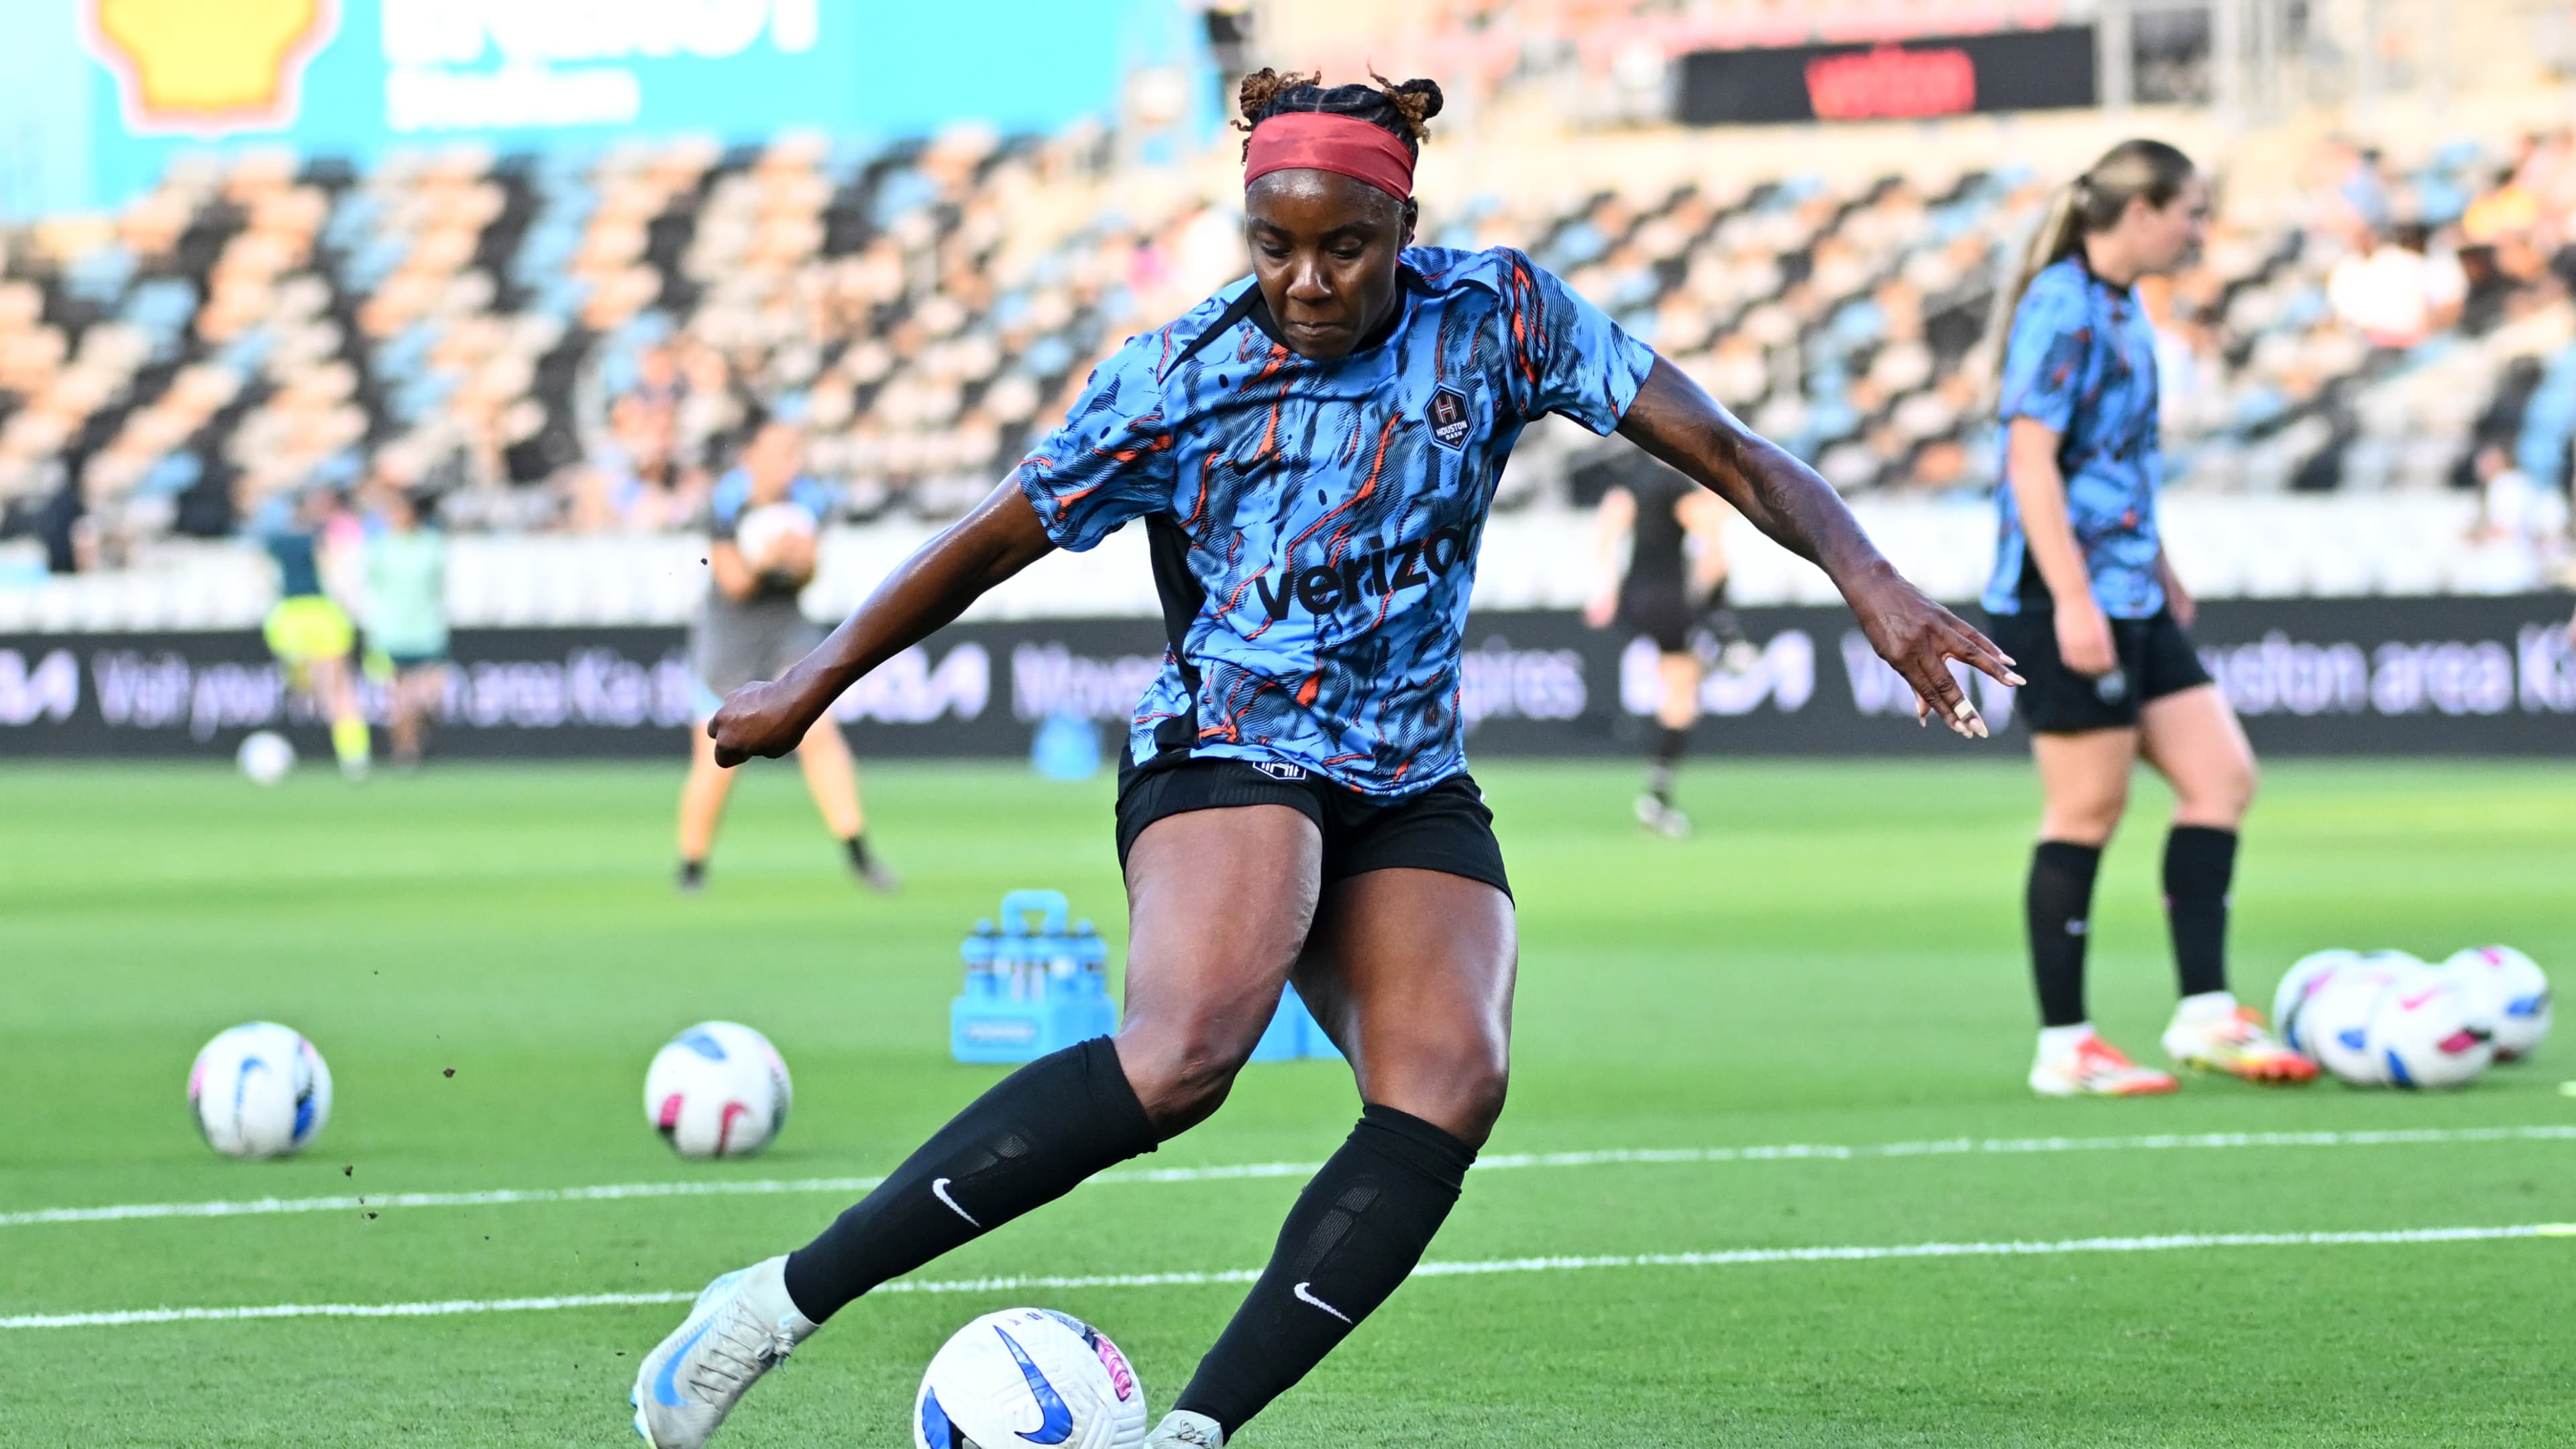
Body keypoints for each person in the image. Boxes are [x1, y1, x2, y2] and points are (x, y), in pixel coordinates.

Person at [629, 71, 2015, 1449]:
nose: (1304, 278)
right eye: (1273, 244)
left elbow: (1728, 449)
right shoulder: (1178, 377)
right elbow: (991, 540)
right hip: (1229, 743)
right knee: (1182, 1061)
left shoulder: (1503, 316)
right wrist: (811, 681)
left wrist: (1876, 587)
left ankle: (1197, 1431)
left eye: (1342, 246)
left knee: (1450, 1082)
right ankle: (769, 1307)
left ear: (1403, 227)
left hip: (1405, 771)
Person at [1985, 140, 2314, 1098]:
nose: (2201, 230)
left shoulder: (2124, 307)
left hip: (2128, 587)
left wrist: (2158, 562)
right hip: (2063, 595)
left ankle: (2206, 1013)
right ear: (2139, 212)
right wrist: (2076, 599)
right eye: (2192, 212)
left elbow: (2114, 458)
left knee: (2222, 777)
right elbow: (2031, 462)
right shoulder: (2061, 305)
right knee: (2087, 808)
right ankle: (2066, 1044)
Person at [676, 417, 894, 893]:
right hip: (728, 637)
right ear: (751, 456)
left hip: (785, 627)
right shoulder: (725, 500)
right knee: (717, 754)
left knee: (820, 733)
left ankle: (859, 854)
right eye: (779, 452)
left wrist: (796, 561)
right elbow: (734, 582)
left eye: (793, 452)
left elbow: (809, 572)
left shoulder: (810, 499)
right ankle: (692, 867)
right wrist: (773, 557)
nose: (789, 463)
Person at [1580, 449, 1754, 836]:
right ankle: (1726, 638)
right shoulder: (1676, 484)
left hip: (1635, 597)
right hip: (1666, 598)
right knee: (1681, 698)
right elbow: (1709, 542)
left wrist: (1604, 588)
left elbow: (1609, 524)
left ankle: (1657, 799)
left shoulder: (1633, 475)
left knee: (1679, 685)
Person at [258, 486, 369, 778]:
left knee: (305, 687)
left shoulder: (276, 541)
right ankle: (354, 756)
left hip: (290, 617)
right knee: (339, 689)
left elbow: (263, 576)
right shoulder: (316, 538)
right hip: (321, 614)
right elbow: (333, 573)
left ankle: (301, 681)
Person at [360, 482, 450, 769]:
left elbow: (438, 586)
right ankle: (406, 753)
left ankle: (420, 740)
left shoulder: (431, 544)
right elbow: (373, 586)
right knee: (399, 699)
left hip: (426, 631)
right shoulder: (381, 547)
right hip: (391, 633)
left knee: (432, 696)